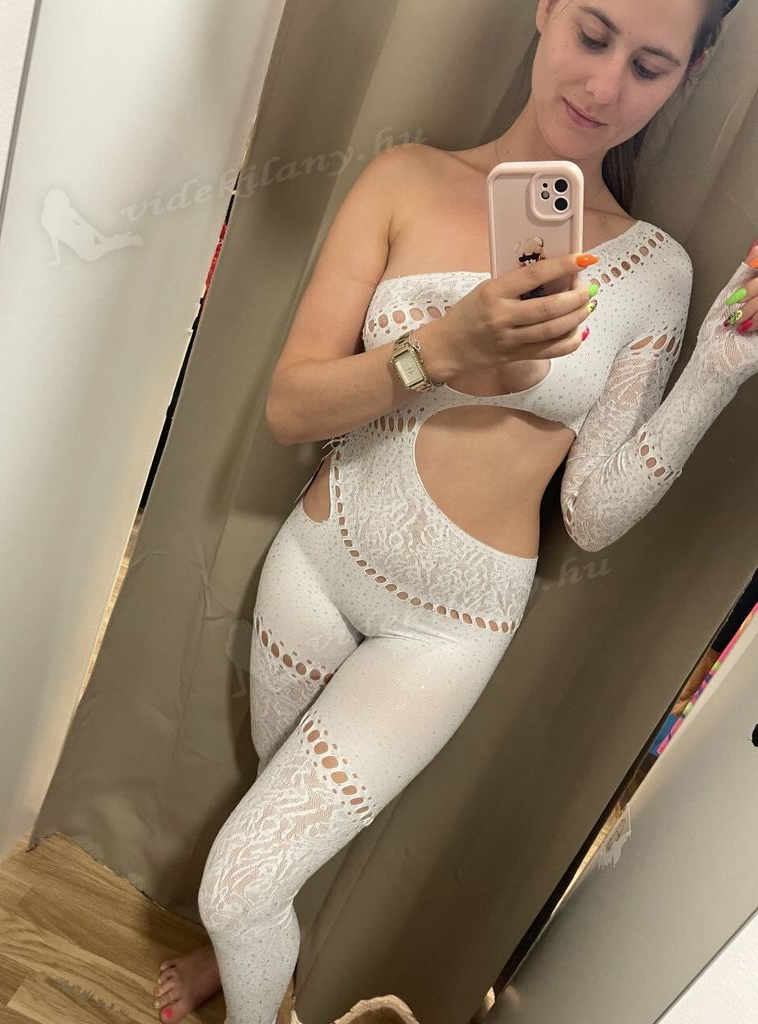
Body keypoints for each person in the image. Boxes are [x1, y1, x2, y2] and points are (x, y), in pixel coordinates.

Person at [151, 1, 757, 1021]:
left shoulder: (654, 272)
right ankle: (244, 958)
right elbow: (291, 406)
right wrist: (439, 349)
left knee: (237, 884)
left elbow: (593, 514)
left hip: (442, 631)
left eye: (649, 65)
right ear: (546, 10)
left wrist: (715, 373)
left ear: (689, 77)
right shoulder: (405, 179)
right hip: (314, 566)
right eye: (593, 34)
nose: (604, 85)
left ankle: (247, 955)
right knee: (267, 833)